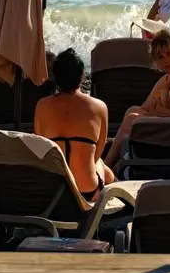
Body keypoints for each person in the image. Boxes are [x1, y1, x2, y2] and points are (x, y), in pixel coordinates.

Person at [104, 30, 170, 168]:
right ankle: (121, 160)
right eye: (161, 57)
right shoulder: (166, 79)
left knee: (131, 119)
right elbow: (146, 107)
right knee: (132, 111)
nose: (166, 60)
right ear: (156, 62)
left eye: (169, 53)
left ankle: (108, 165)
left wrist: (161, 111)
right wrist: (166, 89)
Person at [34, 49, 116, 201]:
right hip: (87, 190)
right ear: (82, 75)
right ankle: (118, 185)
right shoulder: (99, 107)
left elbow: (41, 150)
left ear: (55, 77)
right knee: (100, 164)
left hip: (52, 192)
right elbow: (98, 152)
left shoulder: (42, 106)